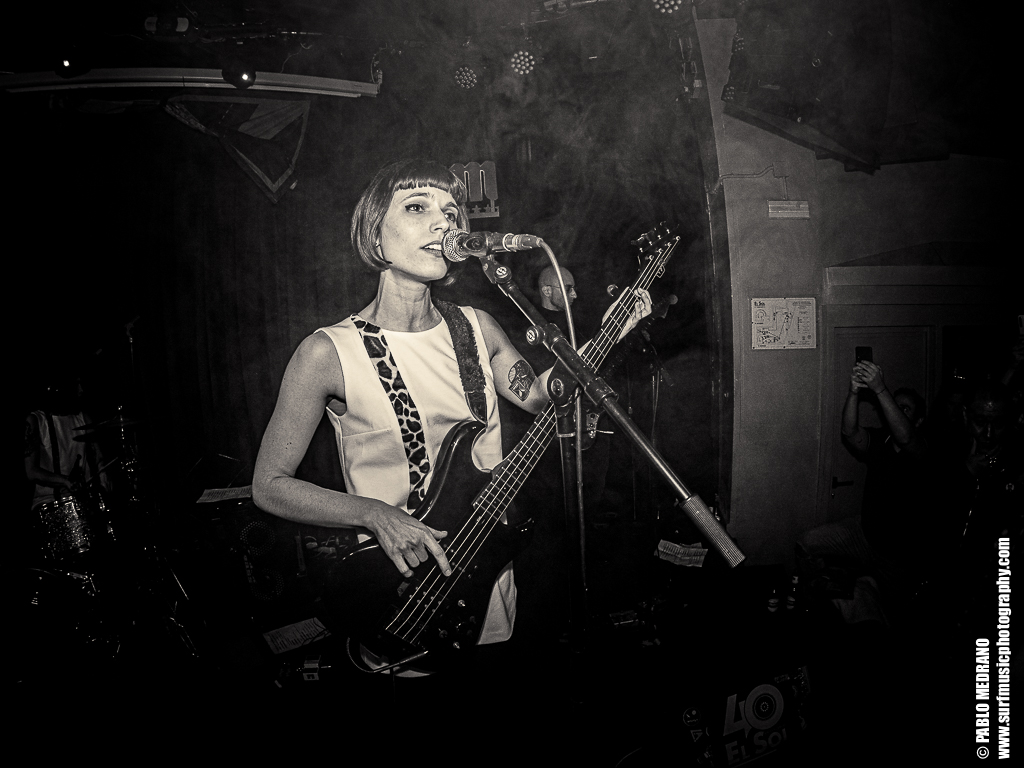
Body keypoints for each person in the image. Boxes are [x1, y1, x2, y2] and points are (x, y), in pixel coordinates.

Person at [251, 158, 649, 690]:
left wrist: (610, 334)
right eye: (417, 207)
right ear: (374, 232)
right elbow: (269, 485)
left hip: (488, 581)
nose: (444, 222)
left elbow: (538, 396)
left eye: (452, 211)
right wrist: (374, 514)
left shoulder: (477, 328)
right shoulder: (328, 352)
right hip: (399, 593)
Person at [796, 360, 938, 626]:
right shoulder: (881, 440)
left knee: (887, 616)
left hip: (897, 558)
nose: (896, 410)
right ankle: (822, 600)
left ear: (918, 421)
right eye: (894, 405)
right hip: (864, 534)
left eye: (904, 408)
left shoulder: (923, 449)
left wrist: (881, 389)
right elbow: (849, 432)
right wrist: (854, 392)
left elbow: (907, 438)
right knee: (807, 543)